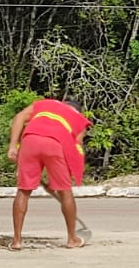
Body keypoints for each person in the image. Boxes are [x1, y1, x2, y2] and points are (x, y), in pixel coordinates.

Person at [7, 97, 91, 250]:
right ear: (77, 111)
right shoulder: (79, 120)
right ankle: (72, 239)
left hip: (30, 140)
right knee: (66, 192)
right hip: (56, 145)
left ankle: (16, 241)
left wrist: (13, 146)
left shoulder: (45, 104)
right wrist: (65, 178)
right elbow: (75, 149)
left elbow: (19, 117)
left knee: (24, 190)